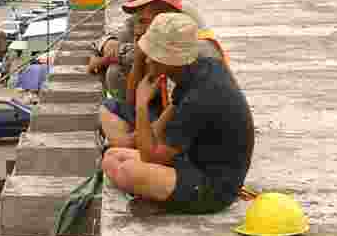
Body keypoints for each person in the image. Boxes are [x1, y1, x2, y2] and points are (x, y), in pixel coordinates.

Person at [101, 13, 254, 215]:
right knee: (112, 156)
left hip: (214, 187)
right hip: (193, 163)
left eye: (153, 54)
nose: (147, 59)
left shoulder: (200, 96)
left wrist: (141, 106)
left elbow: (150, 157)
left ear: (171, 59)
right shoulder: (199, 69)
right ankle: (164, 195)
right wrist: (134, 138)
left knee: (127, 171)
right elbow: (157, 132)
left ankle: (171, 202)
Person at [98, 0, 228, 149]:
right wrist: (140, 56)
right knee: (111, 108)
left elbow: (181, 115)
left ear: (164, 19)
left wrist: (136, 139)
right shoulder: (162, 45)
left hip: (196, 138)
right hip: (172, 115)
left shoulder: (194, 54)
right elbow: (133, 104)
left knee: (118, 159)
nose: (137, 29)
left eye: (143, 21)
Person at [87, 0, 168, 101]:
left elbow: (143, 54)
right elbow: (109, 38)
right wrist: (107, 45)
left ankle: (129, 112)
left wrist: (106, 58)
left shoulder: (163, 15)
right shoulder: (143, 13)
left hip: (167, 82)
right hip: (158, 77)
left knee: (114, 72)